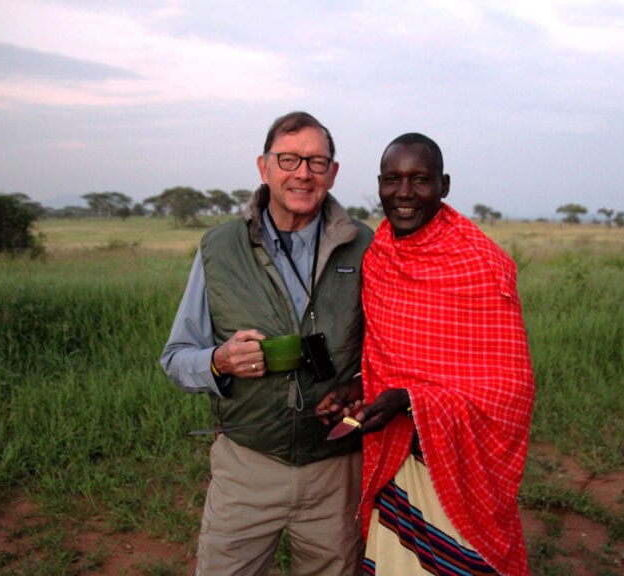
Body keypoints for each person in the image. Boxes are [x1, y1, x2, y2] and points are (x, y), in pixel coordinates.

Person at [159, 111, 373, 576]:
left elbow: (388, 357)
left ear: (333, 173)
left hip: (335, 470)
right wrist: (218, 360)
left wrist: (358, 386)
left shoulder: (366, 246)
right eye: (289, 159)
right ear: (264, 167)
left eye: (317, 162)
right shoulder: (219, 248)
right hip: (247, 465)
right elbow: (176, 358)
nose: (302, 173)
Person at [353, 133, 535, 575]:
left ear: (444, 185)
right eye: (392, 179)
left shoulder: (482, 263)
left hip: (458, 460)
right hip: (396, 455)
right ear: (378, 183)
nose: (404, 193)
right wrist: (363, 387)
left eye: (420, 180)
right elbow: (381, 354)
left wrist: (412, 401)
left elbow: (512, 389)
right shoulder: (377, 254)